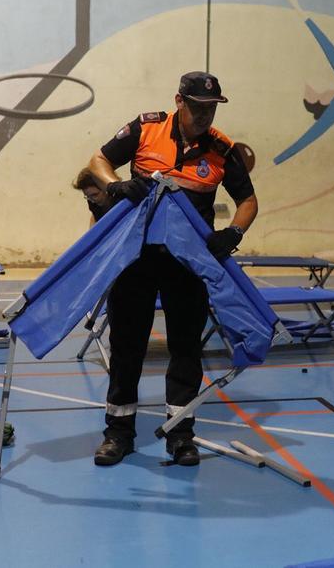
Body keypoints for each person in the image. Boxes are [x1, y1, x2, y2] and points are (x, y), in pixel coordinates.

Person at [85, 71, 258, 467]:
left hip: (188, 265)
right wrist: (114, 186)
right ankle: (118, 433)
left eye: (211, 109)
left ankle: (180, 435)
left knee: (186, 349)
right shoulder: (146, 129)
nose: (204, 116)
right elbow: (98, 160)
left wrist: (233, 233)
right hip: (136, 259)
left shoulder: (221, 148)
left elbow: (248, 201)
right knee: (128, 346)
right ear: (179, 101)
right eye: (198, 107)